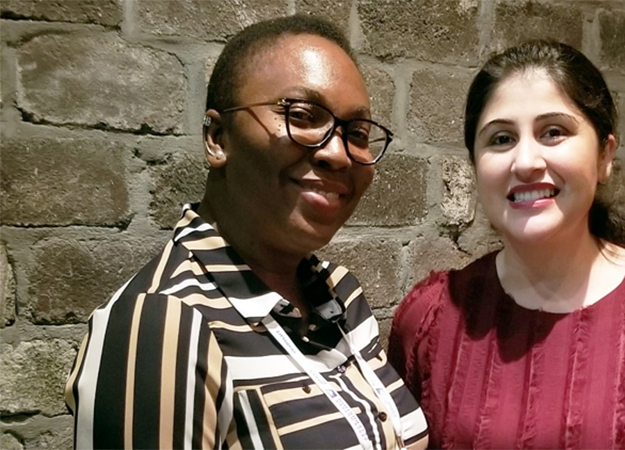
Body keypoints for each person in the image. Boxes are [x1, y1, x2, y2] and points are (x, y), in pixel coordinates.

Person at [389, 40, 625, 449]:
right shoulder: (431, 316)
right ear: (475, 165)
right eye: (501, 139)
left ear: (605, 156)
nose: (525, 162)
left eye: (553, 132)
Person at [65, 15, 428, 450]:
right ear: (217, 137)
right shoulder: (162, 326)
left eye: (357, 133)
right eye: (301, 115)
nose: (338, 153)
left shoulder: (340, 296)